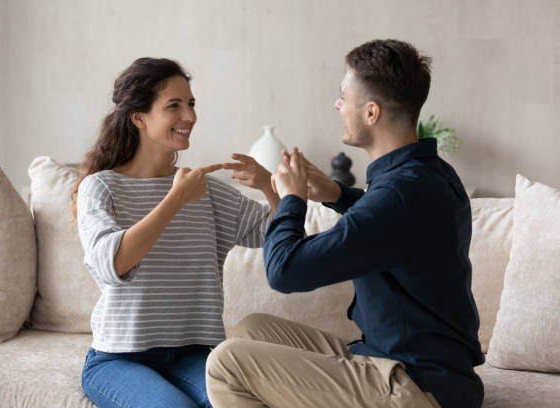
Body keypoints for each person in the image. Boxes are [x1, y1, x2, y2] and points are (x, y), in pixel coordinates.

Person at [205, 39, 485, 408]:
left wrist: (292, 199)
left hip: (416, 387)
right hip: (404, 364)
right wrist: (335, 193)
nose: (337, 105)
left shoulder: (399, 195)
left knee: (226, 364)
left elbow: (285, 271)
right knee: (252, 330)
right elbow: (389, 222)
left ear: (371, 112)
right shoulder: (427, 175)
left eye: (342, 96)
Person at [72, 57, 279, 408]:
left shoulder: (204, 191)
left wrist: (270, 188)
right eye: (174, 106)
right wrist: (175, 199)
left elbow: (274, 235)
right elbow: (113, 263)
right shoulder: (101, 188)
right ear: (138, 118)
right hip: (119, 358)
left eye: (191, 104)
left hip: (194, 352)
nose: (190, 117)